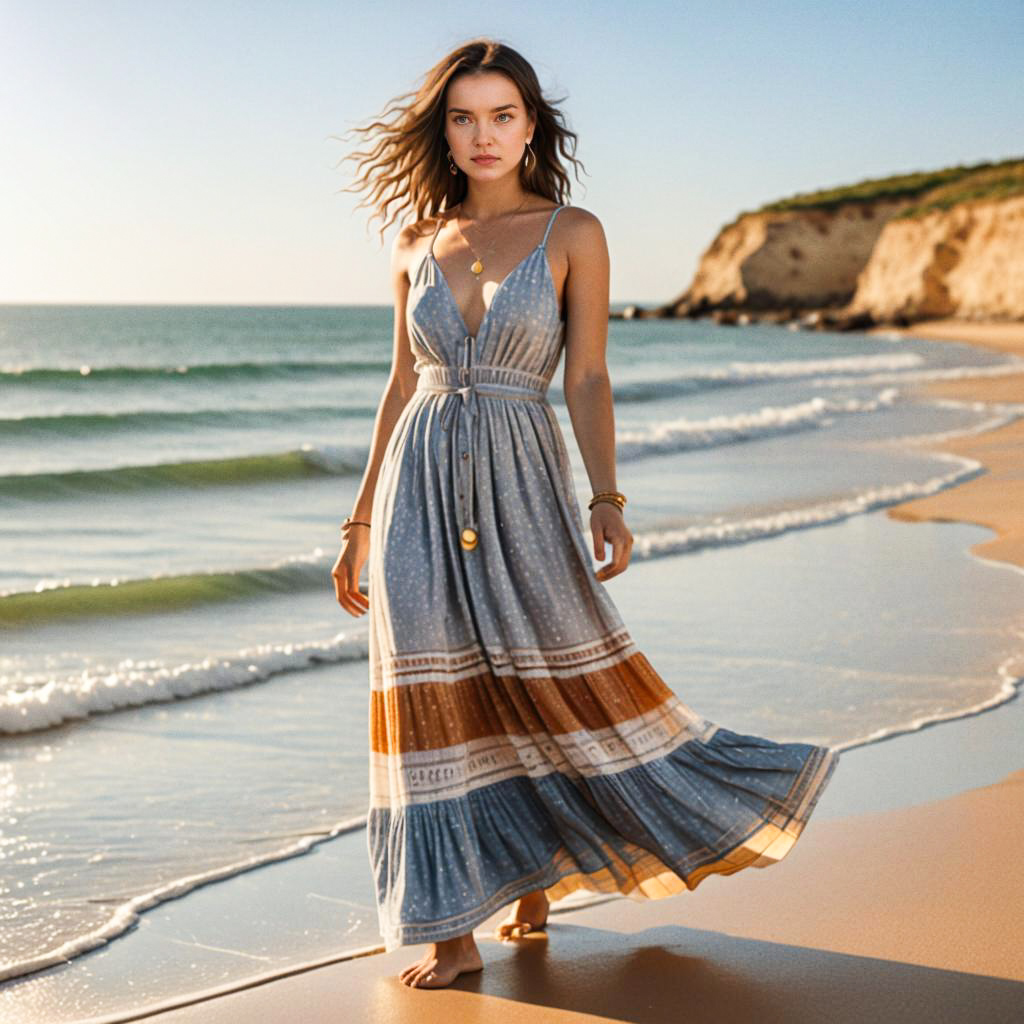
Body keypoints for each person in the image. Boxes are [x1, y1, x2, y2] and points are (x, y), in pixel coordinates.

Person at [330, 37, 839, 990]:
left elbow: (590, 374)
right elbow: (400, 384)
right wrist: (359, 523)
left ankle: (540, 872)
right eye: (463, 117)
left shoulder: (573, 231)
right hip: (417, 490)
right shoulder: (414, 242)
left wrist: (608, 498)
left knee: (546, 674)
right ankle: (451, 930)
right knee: (437, 701)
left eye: (503, 115)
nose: (483, 135)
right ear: (443, 130)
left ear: (531, 124)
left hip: (525, 479)